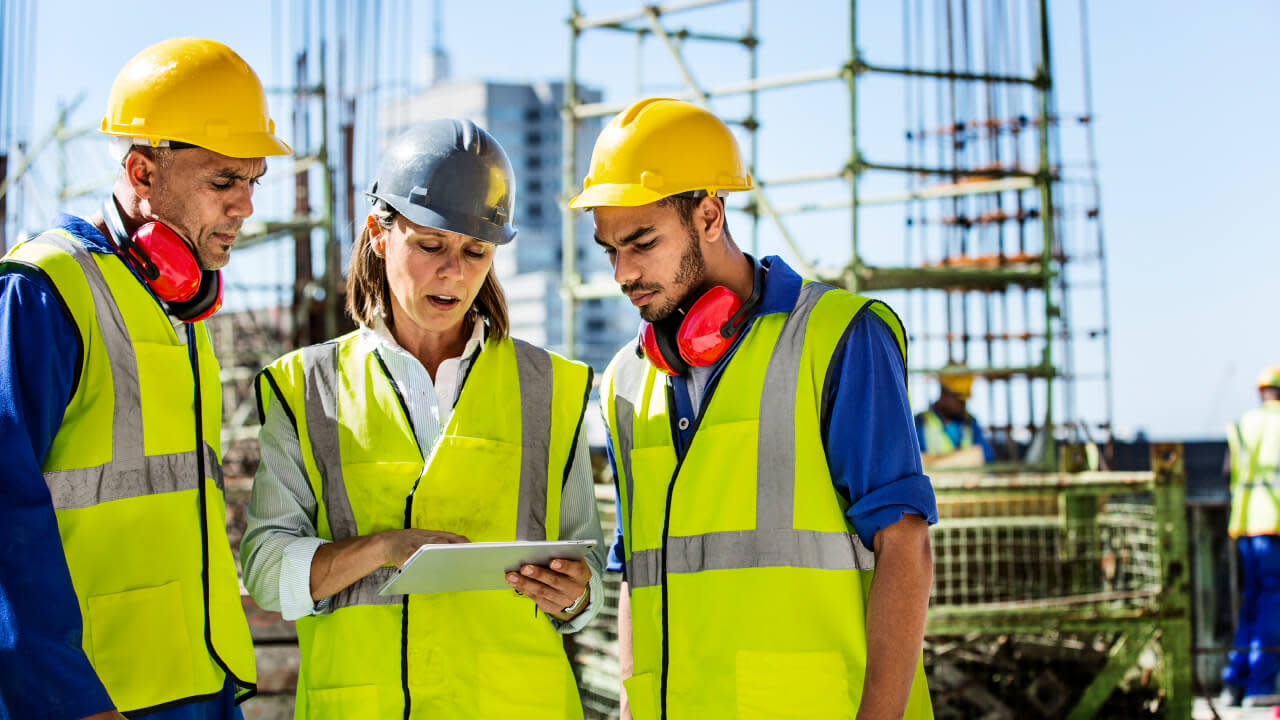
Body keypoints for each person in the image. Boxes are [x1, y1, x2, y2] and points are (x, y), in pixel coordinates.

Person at [570, 97, 936, 719]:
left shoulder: (838, 338)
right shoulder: (625, 381)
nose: (622, 274)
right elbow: (639, 574)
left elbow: (905, 546)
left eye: (642, 243)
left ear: (709, 214)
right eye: (610, 250)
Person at [240, 119, 606, 719]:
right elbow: (266, 569)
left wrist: (572, 594)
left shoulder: (552, 389)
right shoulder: (308, 389)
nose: (454, 273)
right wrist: (383, 547)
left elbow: (584, 575)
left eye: (476, 252)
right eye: (431, 246)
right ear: (379, 236)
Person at [0, 38, 290, 719]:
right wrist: (66, 700)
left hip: (203, 682)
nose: (245, 206)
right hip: (99, 697)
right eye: (223, 181)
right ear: (142, 171)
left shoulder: (176, 303)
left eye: (254, 181)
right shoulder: (45, 293)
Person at [1220, 367, 1280, 707]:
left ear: (1261, 393)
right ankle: (1261, 686)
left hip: (1245, 524)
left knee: (1252, 604)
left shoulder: (1243, 425)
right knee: (1274, 604)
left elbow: (1229, 470)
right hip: (1275, 526)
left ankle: (1234, 682)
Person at [914, 364, 995, 466]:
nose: (962, 403)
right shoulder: (920, 423)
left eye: (964, 399)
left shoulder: (970, 422)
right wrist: (967, 458)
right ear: (944, 392)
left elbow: (985, 457)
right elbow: (917, 463)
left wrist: (935, 461)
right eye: (958, 397)